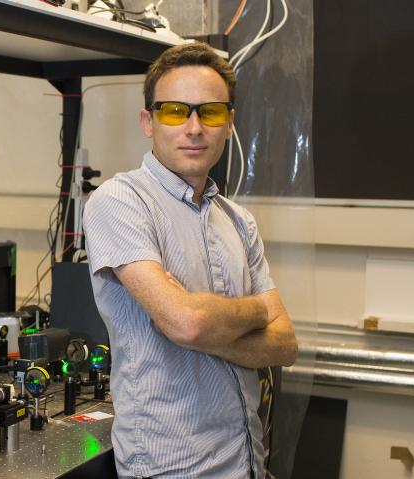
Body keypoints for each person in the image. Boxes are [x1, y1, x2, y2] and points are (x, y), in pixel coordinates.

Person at [82, 42, 298, 479]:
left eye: (210, 112)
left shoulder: (238, 221)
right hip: (172, 468)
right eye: (176, 111)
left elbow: (285, 345)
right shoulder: (121, 202)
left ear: (229, 122)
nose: (194, 127)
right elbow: (188, 323)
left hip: (246, 460)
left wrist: (201, 326)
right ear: (148, 120)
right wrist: (258, 310)